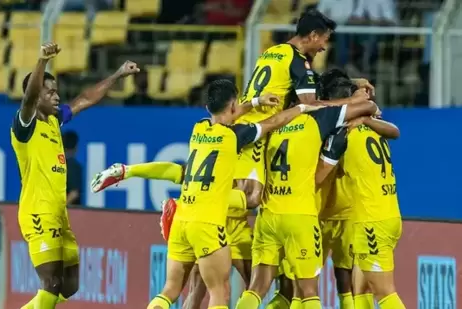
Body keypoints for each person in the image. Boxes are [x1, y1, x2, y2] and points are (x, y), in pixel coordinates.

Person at [143, 79, 324, 309]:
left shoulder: (201, 128)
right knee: (241, 288)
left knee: (197, 288)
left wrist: (256, 102)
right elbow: (273, 123)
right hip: (226, 221)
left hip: (206, 215)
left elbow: (183, 171)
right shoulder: (243, 132)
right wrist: (300, 108)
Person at [238, 9, 374, 309]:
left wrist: (349, 81)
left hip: (253, 129)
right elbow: (311, 104)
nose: (323, 47)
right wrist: (351, 101)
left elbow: (301, 90)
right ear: (312, 36)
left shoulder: (273, 53)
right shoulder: (299, 63)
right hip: (261, 139)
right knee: (246, 200)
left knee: (258, 283)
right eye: (323, 40)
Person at [10, 42, 139, 309]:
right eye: (49, 93)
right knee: (51, 284)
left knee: (69, 286)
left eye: (57, 91)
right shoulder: (25, 125)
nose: (56, 97)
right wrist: (42, 61)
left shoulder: (56, 122)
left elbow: (85, 99)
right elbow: (29, 98)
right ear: (36, 97)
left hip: (58, 213)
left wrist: (117, 75)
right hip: (38, 212)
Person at [318, 79, 405, 309]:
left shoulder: (343, 136)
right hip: (388, 214)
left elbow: (322, 176)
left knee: (385, 292)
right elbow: (395, 131)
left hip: (372, 222)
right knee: (361, 288)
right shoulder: (373, 126)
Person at [62, 130, 83, 206]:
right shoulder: (73, 166)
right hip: (70, 213)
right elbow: (74, 193)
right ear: (76, 147)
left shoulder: (55, 164)